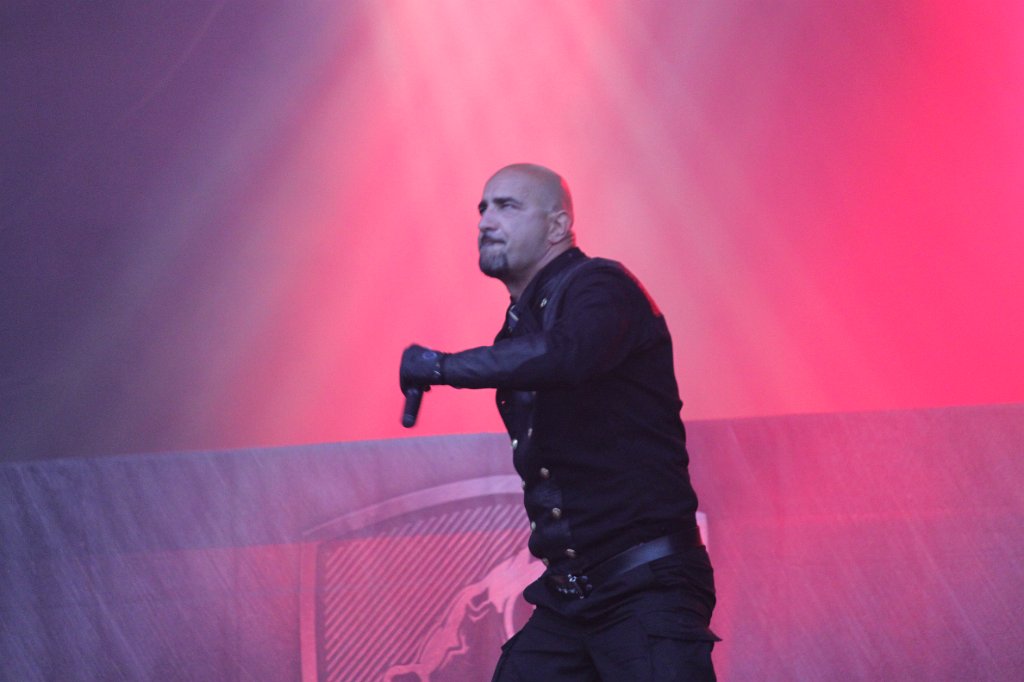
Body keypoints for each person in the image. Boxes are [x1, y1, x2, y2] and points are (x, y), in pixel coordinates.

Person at [400, 163, 718, 681]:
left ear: (557, 226)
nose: (485, 221)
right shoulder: (519, 327)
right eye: (482, 208)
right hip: (572, 597)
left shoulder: (602, 287)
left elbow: (567, 354)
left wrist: (442, 367)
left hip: (645, 587)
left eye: (507, 206)